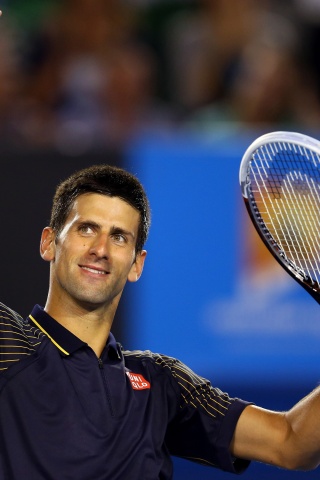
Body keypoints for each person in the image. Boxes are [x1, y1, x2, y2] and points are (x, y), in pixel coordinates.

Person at [0, 164, 320, 480]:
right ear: (49, 243)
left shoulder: (161, 381)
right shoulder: (9, 340)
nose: (101, 249)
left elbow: (289, 442)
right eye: (86, 229)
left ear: (137, 265)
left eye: (120, 237)